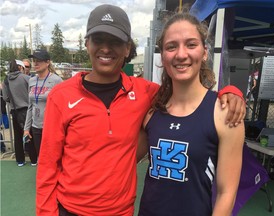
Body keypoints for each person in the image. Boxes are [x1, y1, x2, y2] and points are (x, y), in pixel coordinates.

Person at [36, 4, 245, 215]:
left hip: (121, 211)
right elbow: (47, 166)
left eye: (115, 41)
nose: (106, 49)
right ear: (87, 43)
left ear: (127, 48)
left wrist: (231, 91)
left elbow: (187, 92)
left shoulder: (147, 94)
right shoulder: (62, 96)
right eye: (98, 40)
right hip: (71, 210)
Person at [137, 12, 245, 216]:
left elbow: (227, 193)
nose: (181, 54)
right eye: (171, 46)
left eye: (191, 44)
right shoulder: (152, 110)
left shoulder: (224, 113)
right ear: (163, 56)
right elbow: (125, 158)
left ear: (205, 52)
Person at [23, 50, 62, 161]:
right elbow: (30, 106)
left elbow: (63, 106)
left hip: (51, 127)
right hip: (36, 127)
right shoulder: (31, 81)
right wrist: (26, 129)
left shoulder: (56, 80)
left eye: (39, 61)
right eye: (34, 61)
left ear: (47, 62)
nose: (35, 64)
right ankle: (44, 178)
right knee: (42, 157)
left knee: (54, 158)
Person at [2, 59, 38, 166]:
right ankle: (33, 159)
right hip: (27, 109)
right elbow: (32, 92)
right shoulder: (26, 78)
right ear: (20, 67)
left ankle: (20, 160)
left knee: (17, 136)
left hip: (15, 110)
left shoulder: (6, 80)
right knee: (29, 134)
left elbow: (5, 97)